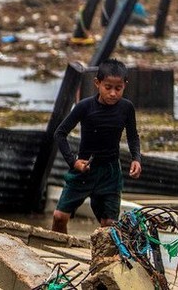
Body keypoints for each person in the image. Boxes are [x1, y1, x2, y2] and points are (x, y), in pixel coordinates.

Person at [51, 59, 142, 234]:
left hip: (110, 172)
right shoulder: (85, 106)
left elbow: (133, 136)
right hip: (84, 169)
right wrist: (73, 162)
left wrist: (136, 158)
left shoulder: (126, 108)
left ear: (125, 86)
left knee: (109, 225)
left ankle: (104, 260)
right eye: (108, 87)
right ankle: (56, 248)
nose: (113, 93)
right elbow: (60, 134)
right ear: (97, 83)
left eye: (118, 88)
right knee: (59, 216)